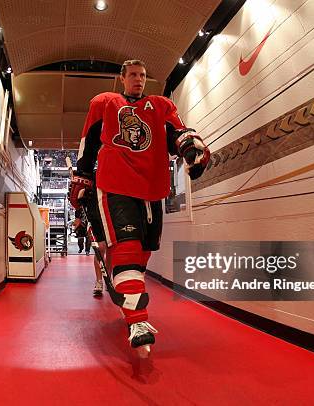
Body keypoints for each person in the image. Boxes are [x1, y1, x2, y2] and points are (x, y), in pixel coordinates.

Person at [68, 59, 210, 354]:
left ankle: (130, 299)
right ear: (122, 78)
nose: (138, 79)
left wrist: (191, 149)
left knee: (143, 252)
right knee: (127, 250)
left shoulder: (161, 105)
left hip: (151, 190)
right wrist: (82, 178)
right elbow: (89, 143)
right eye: (132, 75)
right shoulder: (104, 103)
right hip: (115, 185)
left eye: (142, 75)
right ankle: (137, 321)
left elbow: (177, 132)